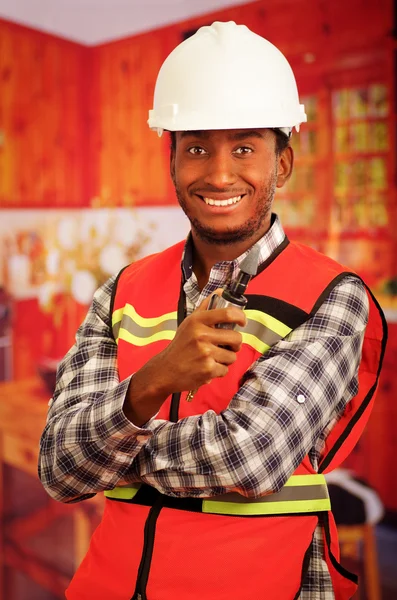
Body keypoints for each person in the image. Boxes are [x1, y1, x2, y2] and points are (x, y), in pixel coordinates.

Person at [38, 21, 387, 600]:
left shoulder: (333, 295)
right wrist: (153, 383)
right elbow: (59, 469)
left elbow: (249, 458)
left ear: (282, 165)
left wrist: (111, 449)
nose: (220, 174)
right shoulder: (121, 289)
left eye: (245, 148)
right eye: (197, 147)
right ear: (172, 161)